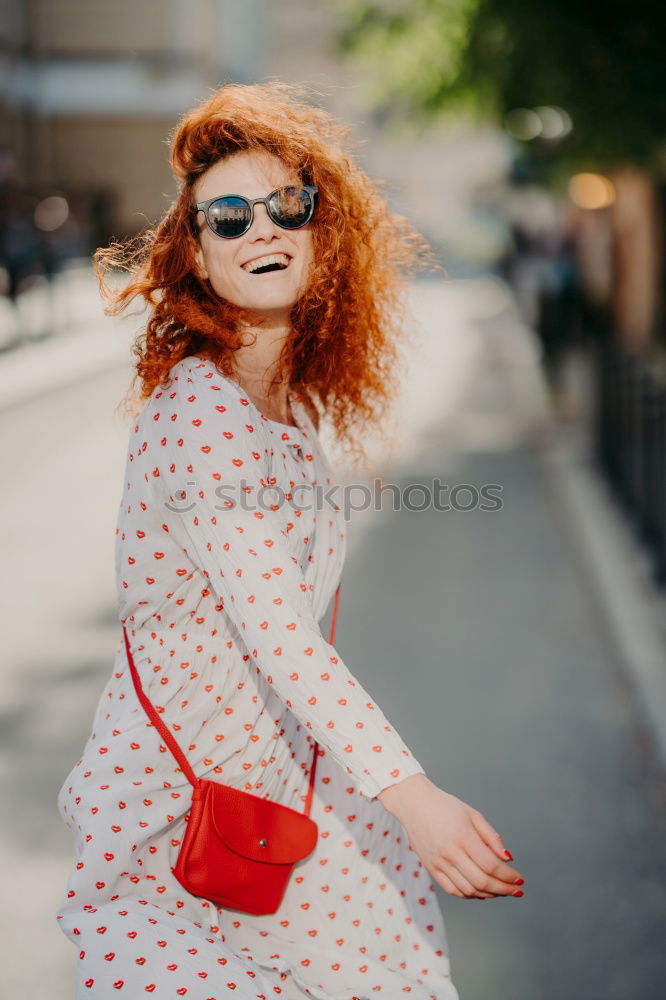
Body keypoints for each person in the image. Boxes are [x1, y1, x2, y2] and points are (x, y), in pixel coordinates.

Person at [56, 81, 524, 1000]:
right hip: (173, 825)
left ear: (323, 228)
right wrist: (412, 796)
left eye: (287, 205)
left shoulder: (287, 408)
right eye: (227, 217)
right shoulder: (203, 415)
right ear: (194, 252)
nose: (262, 229)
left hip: (283, 799)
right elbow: (279, 634)